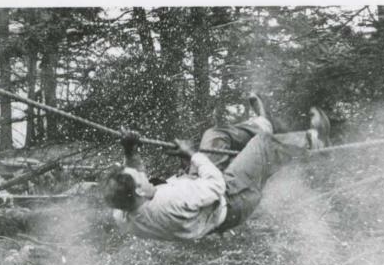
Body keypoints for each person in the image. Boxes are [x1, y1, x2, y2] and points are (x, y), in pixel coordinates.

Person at [103, 99, 330, 242]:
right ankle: (312, 141)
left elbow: (132, 184)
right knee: (263, 144)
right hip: (231, 199)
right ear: (141, 192)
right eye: (139, 177)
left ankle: (262, 122)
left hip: (198, 193)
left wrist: (130, 150)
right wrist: (191, 155)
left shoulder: (123, 213)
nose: (143, 173)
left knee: (214, 136)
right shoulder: (172, 200)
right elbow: (216, 184)